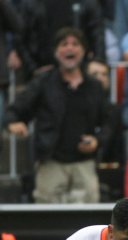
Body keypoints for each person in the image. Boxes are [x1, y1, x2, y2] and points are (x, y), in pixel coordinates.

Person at [5, 28, 111, 204]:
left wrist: (97, 140)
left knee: (89, 220)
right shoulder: (43, 82)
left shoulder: (94, 86)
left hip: (84, 164)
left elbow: (109, 121)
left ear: (84, 51)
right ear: (56, 52)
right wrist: (13, 123)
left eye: (75, 44)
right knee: (48, 220)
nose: (70, 48)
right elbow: (15, 110)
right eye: (64, 44)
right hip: (51, 162)